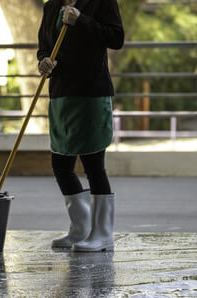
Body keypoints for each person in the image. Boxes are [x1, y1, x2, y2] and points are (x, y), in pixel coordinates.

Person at [38, 0, 124, 252]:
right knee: (61, 164)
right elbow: (44, 46)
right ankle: (81, 229)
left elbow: (116, 37)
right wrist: (43, 61)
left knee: (93, 165)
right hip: (61, 94)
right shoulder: (50, 6)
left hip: (91, 93)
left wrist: (82, 21)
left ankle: (102, 234)